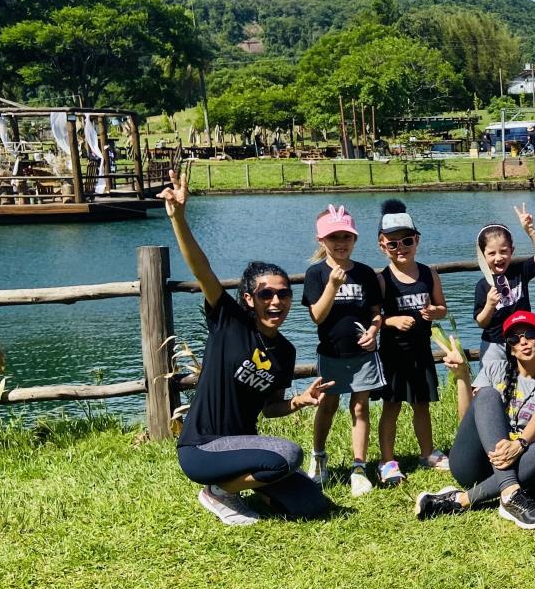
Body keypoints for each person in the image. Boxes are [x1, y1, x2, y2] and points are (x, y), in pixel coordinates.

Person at [160, 171, 331, 526]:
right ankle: (218, 492)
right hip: (202, 448)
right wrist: (178, 217)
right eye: (266, 294)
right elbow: (202, 268)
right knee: (290, 454)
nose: (276, 301)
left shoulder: (285, 352)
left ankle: (249, 488)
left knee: (312, 504)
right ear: (250, 299)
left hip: (242, 447)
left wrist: (300, 401)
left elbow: (269, 409)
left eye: (283, 293)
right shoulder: (230, 322)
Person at [416, 310, 535, 529]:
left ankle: (460, 500)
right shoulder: (494, 369)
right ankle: (510, 493)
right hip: (473, 462)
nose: (523, 342)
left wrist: (519, 444)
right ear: (511, 349)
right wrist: (462, 377)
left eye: (529, 334)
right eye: (514, 339)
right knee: (487, 395)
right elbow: (467, 418)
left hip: (518, 459)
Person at [303, 204, 384, 496]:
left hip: (362, 356)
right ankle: (319, 458)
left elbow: (376, 313)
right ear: (321, 241)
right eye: (333, 237)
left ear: (354, 240)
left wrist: (374, 331)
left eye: (346, 237)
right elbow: (318, 316)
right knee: (328, 405)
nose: (340, 243)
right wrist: (332, 286)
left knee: (360, 407)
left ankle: (359, 466)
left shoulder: (364, 273)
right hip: (331, 354)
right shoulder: (315, 274)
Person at [373, 199, 450, 487]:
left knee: (422, 405)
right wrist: (391, 321)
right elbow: (373, 317)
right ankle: (387, 460)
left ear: (416, 240)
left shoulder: (429, 274)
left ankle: (427, 452)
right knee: (391, 407)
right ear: (382, 245)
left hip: (420, 352)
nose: (400, 248)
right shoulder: (382, 279)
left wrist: (434, 312)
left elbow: (443, 308)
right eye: (392, 244)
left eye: (406, 241)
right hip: (393, 354)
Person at [473, 204, 535, 372]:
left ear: (512, 251)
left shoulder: (520, 271)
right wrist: (489, 306)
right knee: (493, 386)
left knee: (527, 380)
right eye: (492, 253)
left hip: (523, 340)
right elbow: (481, 322)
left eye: (504, 251)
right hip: (495, 343)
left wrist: (530, 230)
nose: (498, 257)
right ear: (483, 256)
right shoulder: (482, 285)